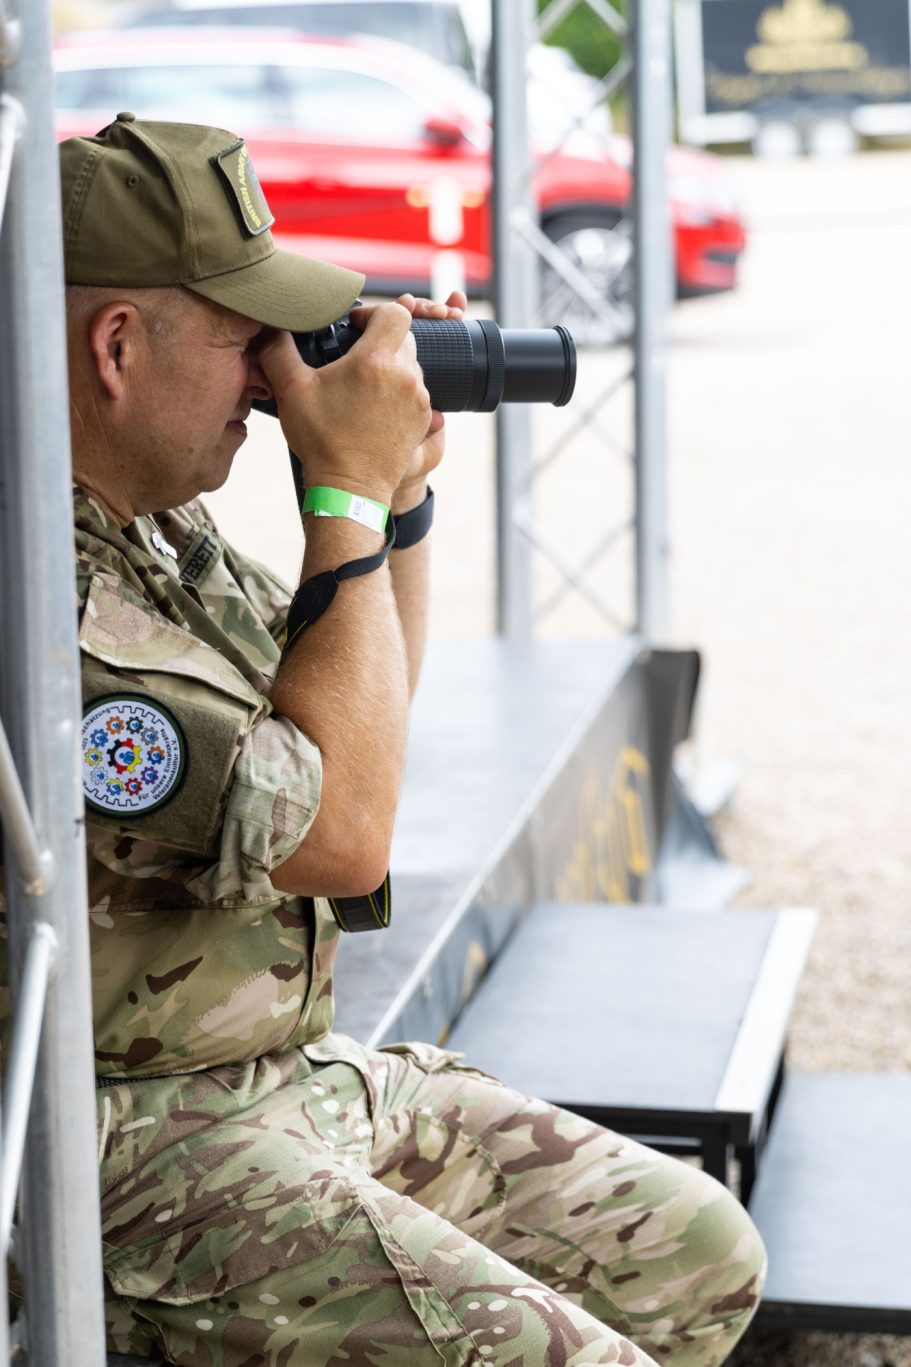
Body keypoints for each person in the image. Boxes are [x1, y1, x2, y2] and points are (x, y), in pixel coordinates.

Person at [36, 114, 764, 1365]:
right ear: (115, 347)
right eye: (247, 338)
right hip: (122, 1138)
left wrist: (397, 492)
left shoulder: (149, 526)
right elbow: (339, 835)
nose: (272, 378)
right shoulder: (38, 600)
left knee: (693, 1254)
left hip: (272, 1075)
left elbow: (355, 726)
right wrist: (343, 493)